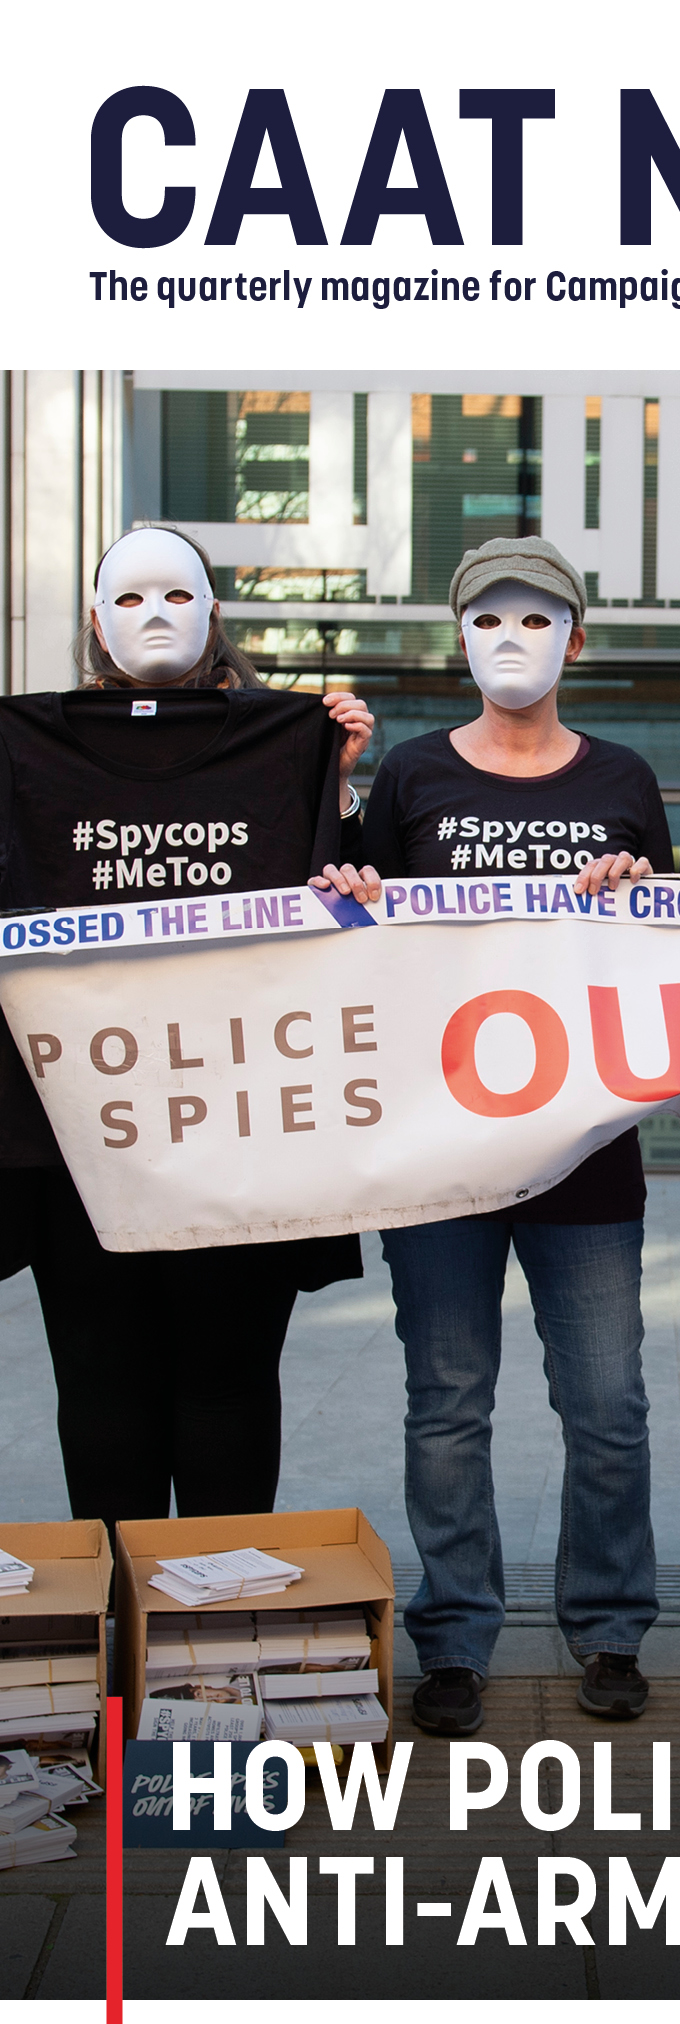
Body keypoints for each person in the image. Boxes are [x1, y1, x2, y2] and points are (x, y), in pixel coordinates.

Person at [317, 537, 669, 1738]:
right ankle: (455, 1637)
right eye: (489, 619)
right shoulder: (412, 777)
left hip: (586, 1153)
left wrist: (639, 893)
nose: (512, 639)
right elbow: (345, 928)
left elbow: (662, 962)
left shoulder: (623, 779)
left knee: (608, 1402)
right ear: (458, 638)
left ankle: (612, 1627)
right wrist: (345, 840)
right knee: (446, 1401)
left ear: (577, 638)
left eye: (537, 619)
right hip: (442, 1146)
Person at [0, 522, 373, 1535]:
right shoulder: (22, 752)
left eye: (175, 594)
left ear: (215, 613)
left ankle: (208, 1634)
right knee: (102, 1391)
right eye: (128, 598)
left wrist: (332, 782)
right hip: (83, 1133)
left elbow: (349, 909)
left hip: (240, 1126)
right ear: (92, 620)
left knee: (229, 1384)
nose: (154, 614)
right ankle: (124, 1649)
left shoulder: (286, 744)